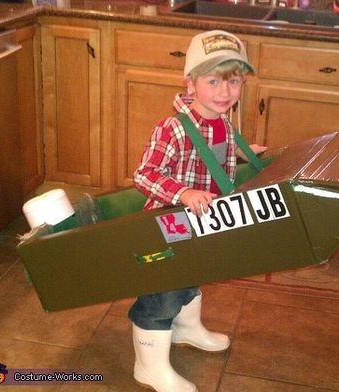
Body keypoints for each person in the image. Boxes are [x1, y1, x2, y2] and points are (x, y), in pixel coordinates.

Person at [129, 30, 267, 392]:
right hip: (168, 224)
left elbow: (211, 157)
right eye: (213, 82)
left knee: (193, 270)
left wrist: (240, 151)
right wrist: (183, 191)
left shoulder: (222, 122)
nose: (225, 92)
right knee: (162, 289)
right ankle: (149, 365)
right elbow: (144, 174)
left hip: (199, 223)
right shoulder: (173, 129)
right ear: (189, 84)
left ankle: (187, 329)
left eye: (233, 81)